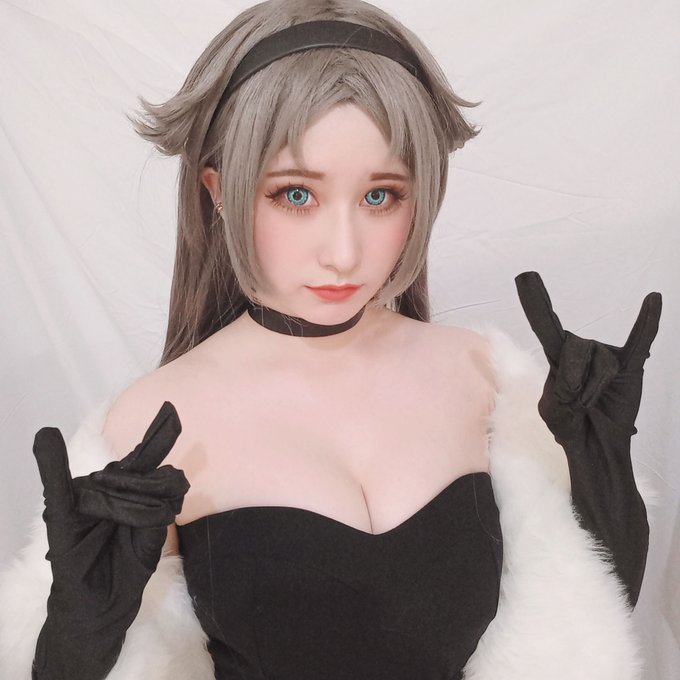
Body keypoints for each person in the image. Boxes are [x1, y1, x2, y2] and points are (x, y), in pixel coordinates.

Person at [0, 0, 662, 678]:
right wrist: (78, 642)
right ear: (220, 192)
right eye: (296, 194)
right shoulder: (150, 427)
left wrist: (602, 466)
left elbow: (578, 639)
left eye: (380, 196)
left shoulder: (481, 375)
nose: (344, 253)